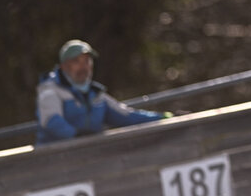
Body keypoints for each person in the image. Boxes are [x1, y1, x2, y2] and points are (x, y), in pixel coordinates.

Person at [35, 39, 169, 145]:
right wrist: (76, 135)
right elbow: (51, 121)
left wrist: (164, 117)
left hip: (89, 155)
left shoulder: (96, 93)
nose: (83, 67)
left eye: (87, 61)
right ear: (64, 66)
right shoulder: (50, 90)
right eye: (76, 61)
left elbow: (127, 116)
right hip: (55, 158)